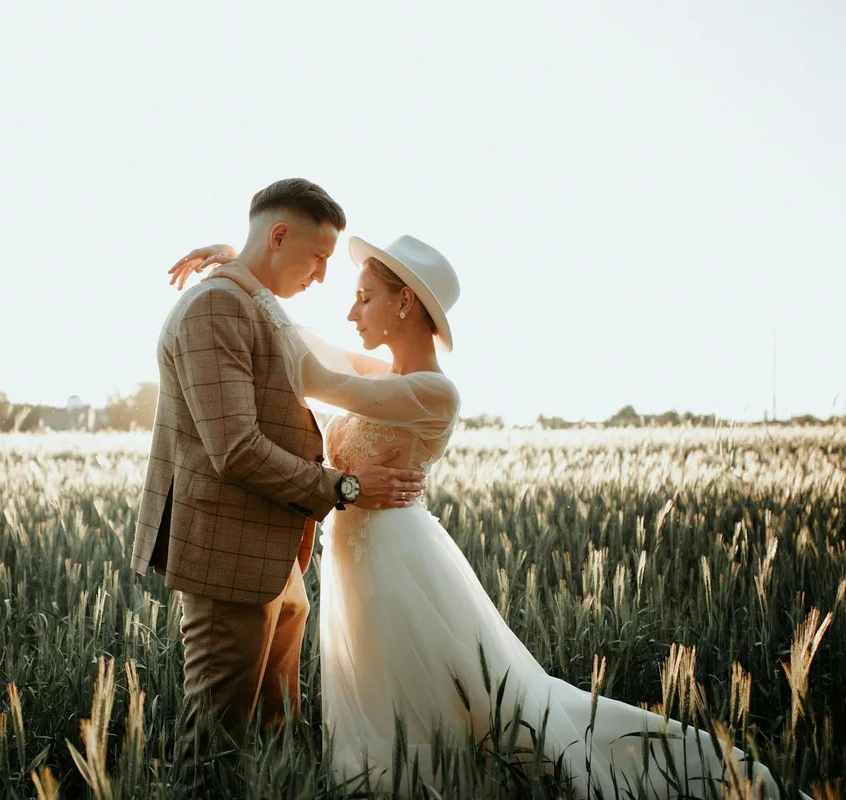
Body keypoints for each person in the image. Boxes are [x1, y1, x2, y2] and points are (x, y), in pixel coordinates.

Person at [170, 233, 803, 799]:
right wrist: (243, 262)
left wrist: (248, 280)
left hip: (394, 558)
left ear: (404, 305)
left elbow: (309, 370)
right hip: (356, 549)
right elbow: (315, 348)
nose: (350, 310)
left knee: (421, 692)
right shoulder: (388, 372)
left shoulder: (432, 390)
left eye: (363, 297)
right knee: (383, 685)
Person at [130, 178, 428, 756]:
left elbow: (264, 304)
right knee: (215, 747)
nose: (320, 276)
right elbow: (235, 448)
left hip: (271, 553)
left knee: (274, 737)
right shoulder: (215, 307)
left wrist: (230, 253)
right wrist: (346, 487)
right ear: (280, 236)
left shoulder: (247, 299)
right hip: (228, 558)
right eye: (317, 258)